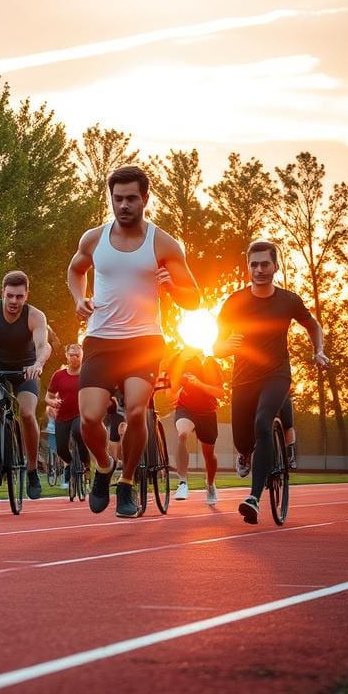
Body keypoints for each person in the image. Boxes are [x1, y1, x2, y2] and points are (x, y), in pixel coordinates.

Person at [67, 165, 200, 518]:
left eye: (131, 198)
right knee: (89, 417)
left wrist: (171, 286)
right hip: (100, 338)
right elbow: (75, 270)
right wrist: (79, 299)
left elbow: (194, 299)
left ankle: (126, 484)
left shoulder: (164, 243)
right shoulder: (93, 239)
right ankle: (104, 465)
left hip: (144, 340)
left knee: (137, 409)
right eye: (117, 198)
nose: (123, 205)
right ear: (111, 198)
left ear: (144, 199)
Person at [214, 239, 329, 524]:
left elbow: (312, 325)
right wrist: (225, 347)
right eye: (254, 264)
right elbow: (217, 346)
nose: (260, 269)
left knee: (262, 422)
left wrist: (319, 351)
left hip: (277, 373)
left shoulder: (288, 300)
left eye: (265, 264)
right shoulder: (235, 301)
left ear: (275, 266)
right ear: (248, 268)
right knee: (243, 440)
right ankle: (245, 455)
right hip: (242, 379)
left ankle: (253, 498)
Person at [0, 271, 52, 500]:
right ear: (2, 293)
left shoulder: (35, 316)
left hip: (25, 367)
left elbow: (43, 344)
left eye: (20, 297)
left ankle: (32, 467)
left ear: (26, 296)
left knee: (26, 413)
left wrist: (37, 364)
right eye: (10, 296)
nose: (14, 302)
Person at [167, 346, 224, 505]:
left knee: (209, 456)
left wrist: (198, 384)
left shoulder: (210, 363)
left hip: (207, 413)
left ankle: (210, 484)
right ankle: (183, 482)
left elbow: (220, 393)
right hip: (186, 409)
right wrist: (174, 391)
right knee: (182, 435)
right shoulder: (179, 361)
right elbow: (169, 393)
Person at [45, 343, 89, 490]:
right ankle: (70, 464)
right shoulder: (59, 375)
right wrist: (52, 402)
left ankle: (86, 465)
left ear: (82, 357)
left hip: (80, 413)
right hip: (62, 415)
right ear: (67, 356)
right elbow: (48, 396)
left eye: (77, 355)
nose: (74, 358)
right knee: (61, 448)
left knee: (78, 432)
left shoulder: (87, 373)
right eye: (71, 355)